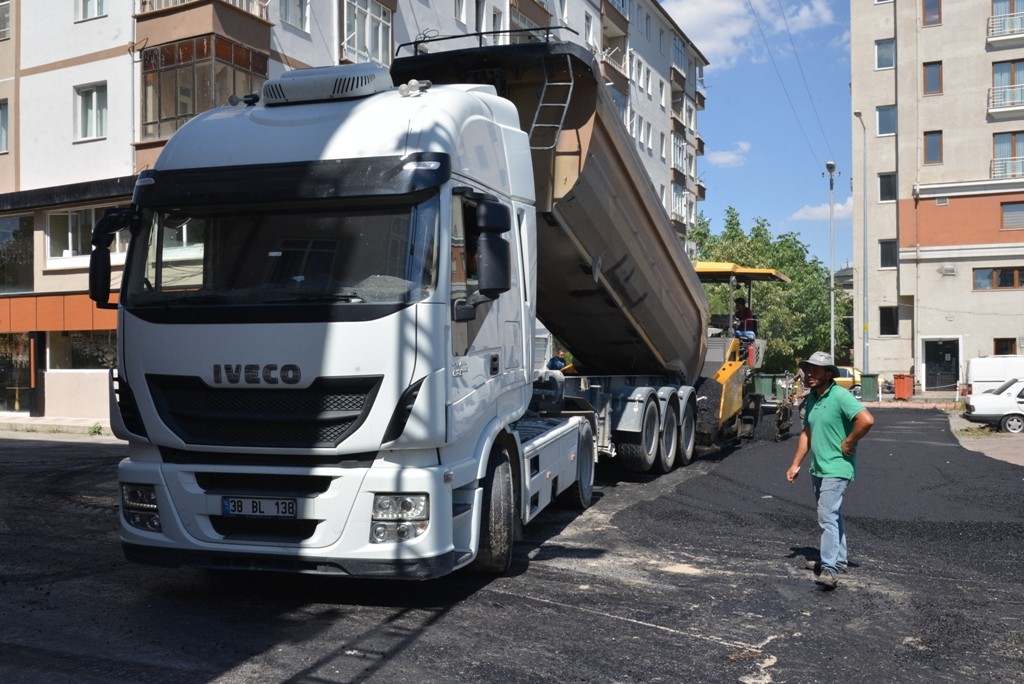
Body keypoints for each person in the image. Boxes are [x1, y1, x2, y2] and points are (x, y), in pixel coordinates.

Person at [785, 351, 875, 589]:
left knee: (826, 516)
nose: (810, 374)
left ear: (828, 373)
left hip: (838, 466)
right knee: (833, 515)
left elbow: (866, 419)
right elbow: (807, 433)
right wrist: (796, 464)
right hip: (819, 467)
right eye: (808, 369)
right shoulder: (813, 398)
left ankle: (829, 569)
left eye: (815, 370)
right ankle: (839, 560)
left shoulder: (839, 396)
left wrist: (849, 441)